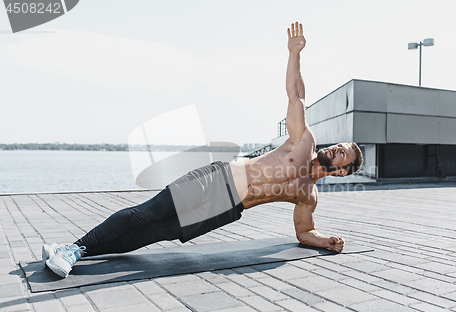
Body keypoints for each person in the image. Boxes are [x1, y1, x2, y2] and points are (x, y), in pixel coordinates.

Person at [44, 22, 364, 278]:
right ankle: (73, 250)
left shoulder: (307, 195)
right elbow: (296, 96)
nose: (337, 148)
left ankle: (75, 250)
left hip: (226, 209)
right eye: (340, 146)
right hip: (219, 180)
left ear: (341, 171)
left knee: (154, 233)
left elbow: (304, 231)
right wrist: (294, 54)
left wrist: (326, 241)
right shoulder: (304, 141)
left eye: (342, 154)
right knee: (147, 213)